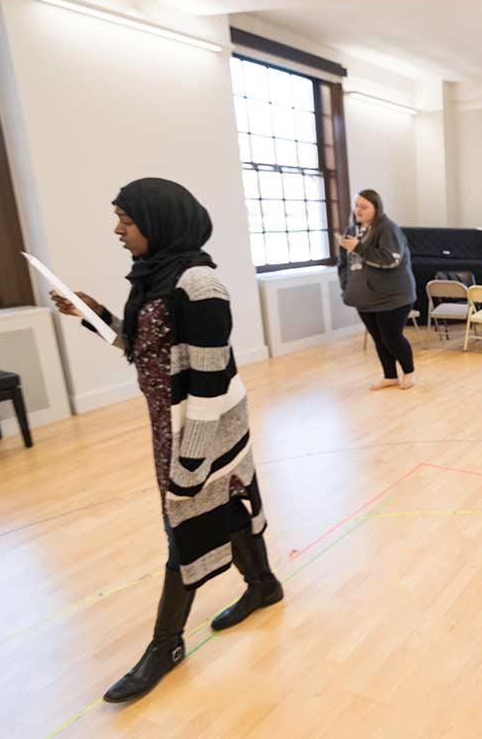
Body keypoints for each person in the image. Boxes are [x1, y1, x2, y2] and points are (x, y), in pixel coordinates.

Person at [51, 178, 282, 703]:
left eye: (126, 221)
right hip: (171, 422)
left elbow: (207, 383)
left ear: (159, 221)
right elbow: (143, 349)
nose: (117, 230)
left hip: (205, 426)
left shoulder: (200, 287)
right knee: (229, 505)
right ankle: (264, 584)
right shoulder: (155, 278)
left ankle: (165, 645)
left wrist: (191, 466)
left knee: (186, 520)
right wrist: (93, 315)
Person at [337, 189, 418, 390]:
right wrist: (346, 286)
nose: (358, 210)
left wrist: (359, 248)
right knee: (378, 338)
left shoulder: (388, 229)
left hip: (393, 296)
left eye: (364, 206)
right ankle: (389, 375)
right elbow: (344, 264)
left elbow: (391, 259)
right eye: (356, 205)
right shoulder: (351, 231)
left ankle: (408, 372)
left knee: (391, 337)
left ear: (376, 208)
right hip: (364, 297)